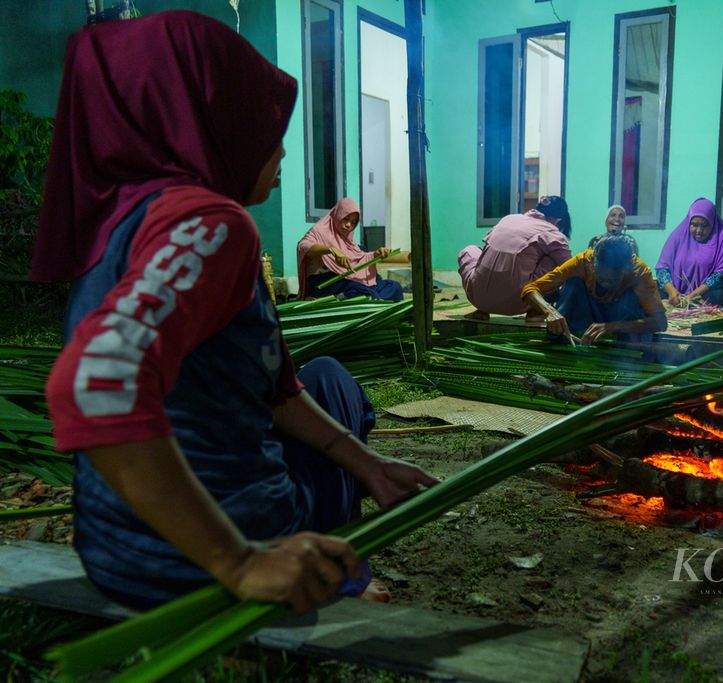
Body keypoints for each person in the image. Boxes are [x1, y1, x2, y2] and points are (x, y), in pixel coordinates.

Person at [33, 11, 436, 613]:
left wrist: (370, 467)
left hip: (119, 558)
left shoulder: (118, 220)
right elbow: (95, 383)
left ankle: (345, 504)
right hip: (205, 563)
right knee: (339, 385)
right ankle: (317, 566)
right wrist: (240, 563)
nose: (277, 147)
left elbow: (274, 390)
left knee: (319, 377)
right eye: (260, 118)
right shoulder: (212, 225)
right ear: (205, 119)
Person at [522, 232, 667, 345]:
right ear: (593, 263)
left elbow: (660, 322)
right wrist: (550, 312)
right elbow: (530, 289)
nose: (606, 284)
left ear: (627, 268)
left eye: (614, 280)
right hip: (586, 322)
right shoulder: (583, 262)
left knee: (630, 296)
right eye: (601, 278)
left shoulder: (639, 272)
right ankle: (567, 340)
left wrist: (612, 327)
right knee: (574, 283)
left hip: (621, 330)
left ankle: (622, 349)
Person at [458, 195, 572, 323]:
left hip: (478, 298)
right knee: (557, 263)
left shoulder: (509, 219)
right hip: (521, 301)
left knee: (469, 250)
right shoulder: (552, 232)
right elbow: (569, 266)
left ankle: (482, 310)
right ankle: (535, 311)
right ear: (557, 219)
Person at [297, 198, 403, 301]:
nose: (348, 225)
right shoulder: (319, 231)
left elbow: (358, 258)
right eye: (345, 219)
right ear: (338, 214)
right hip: (324, 284)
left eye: (353, 223)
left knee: (394, 286)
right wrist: (332, 250)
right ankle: (349, 298)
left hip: (348, 281)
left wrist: (376, 255)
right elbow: (303, 246)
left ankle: (371, 299)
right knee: (361, 290)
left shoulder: (347, 239)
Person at [655, 198, 723, 310]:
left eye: (704, 226)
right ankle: (683, 303)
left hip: (707, 293)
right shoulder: (680, 233)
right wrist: (672, 291)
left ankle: (696, 305)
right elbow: (662, 269)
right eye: (694, 225)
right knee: (644, 288)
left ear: (712, 223)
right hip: (677, 293)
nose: (698, 230)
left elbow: (721, 275)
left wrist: (691, 297)